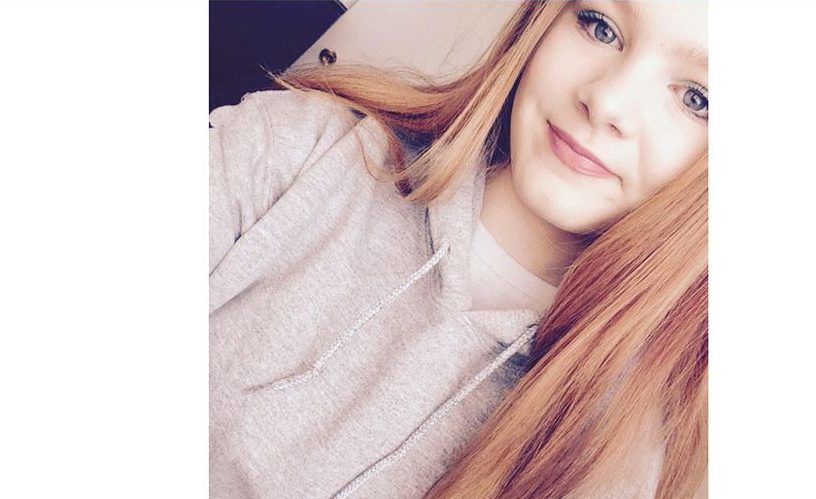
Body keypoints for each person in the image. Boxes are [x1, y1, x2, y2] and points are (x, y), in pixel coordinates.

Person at [209, 0, 708, 497]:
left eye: (696, 99)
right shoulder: (300, 146)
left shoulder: (634, 452)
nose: (606, 102)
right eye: (600, 27)